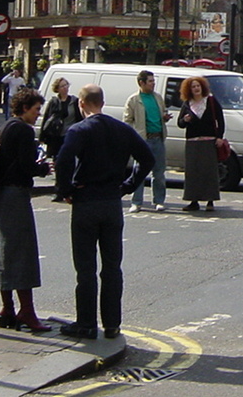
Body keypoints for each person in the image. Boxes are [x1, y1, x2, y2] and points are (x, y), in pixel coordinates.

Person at [54, 84, 153, 339]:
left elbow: (64, 159)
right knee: (112, 267)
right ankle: (112, 324)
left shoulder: (79, 130)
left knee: (85, 267)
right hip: (112, 202)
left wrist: (66, 189)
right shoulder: (122, 129)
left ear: (82, 103)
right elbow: (147, 159)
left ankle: (86, 324)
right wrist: (129, 185)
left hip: (86, 200)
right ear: (103, 102)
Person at [0, 88, 52, 333]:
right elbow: (27, 165)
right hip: (16, 194)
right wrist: (42, 169)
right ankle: (27, 311)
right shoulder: (24, 130)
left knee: (4, 251)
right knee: (22, 252)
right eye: (36, 109)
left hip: (0, 194)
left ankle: (7, 308)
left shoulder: (4, 127)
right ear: (25, 108)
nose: (38, 114)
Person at [123, 70, 170, 213]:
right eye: (150, 81)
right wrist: (134, 137)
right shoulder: (134, 99)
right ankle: (136, 202)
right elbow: (127, 120)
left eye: (153, 81)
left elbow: (163, 112)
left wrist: (165, 117)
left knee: (159, 173)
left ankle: (159, 201)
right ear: (141, 83)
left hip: (158, 138)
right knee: (139, 172)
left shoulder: (157, 97)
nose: (153, 84)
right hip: (143, 140)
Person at [176, 76, 225, 212]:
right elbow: (180, 124)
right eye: (193, 87)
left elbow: (220, 119)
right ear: (189, 89)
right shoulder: (187, 104)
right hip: (192, 142)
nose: (196, 89)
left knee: (209, 171)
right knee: (193, 172)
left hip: (209, 141)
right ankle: (193, 201)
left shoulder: (211, 101)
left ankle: (210, 201)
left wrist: (220, 137)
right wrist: (185, 120)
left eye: (198, 86)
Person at [39, 77, 82, 161]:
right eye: (62, 86)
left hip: (69, 134)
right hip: (56, 136)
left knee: (68, 158)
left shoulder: (74, 101)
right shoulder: (53, 102)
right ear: (57, 89)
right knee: (56, 160)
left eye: (66, 85)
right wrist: (42, 136)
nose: (65, 87)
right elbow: (47, 118)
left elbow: (79, 118)